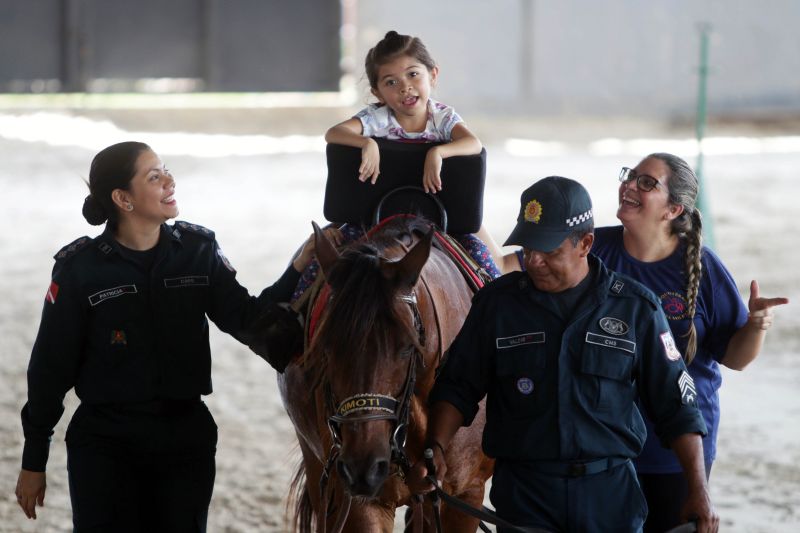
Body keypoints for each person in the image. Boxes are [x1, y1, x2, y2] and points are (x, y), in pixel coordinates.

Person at [14, 141, 327, 531]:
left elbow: (249, 320)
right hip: (105, 444)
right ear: (122, 198)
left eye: (166, 170)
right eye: (154, 176)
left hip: (185, 439)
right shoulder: (79, 269)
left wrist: (297, 268)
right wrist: (33, 459)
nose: (170, 181)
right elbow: (50, 367)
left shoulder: (198, 251)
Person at [408, 176, 720, 533]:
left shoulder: (635, 309)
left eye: (549, 250)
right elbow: (456, 387)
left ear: (585, 243)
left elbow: (677, 407)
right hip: (525, 496)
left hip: (608, 496)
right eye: (527, 248)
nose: (534, 261)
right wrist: (434, 448)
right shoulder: (497, 305)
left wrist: (699, 491)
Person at [588, 153, 789, 532]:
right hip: (603, 443)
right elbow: (510, 263)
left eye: (646, 183)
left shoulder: (703, 267)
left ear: (673, 209)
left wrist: (756, 325)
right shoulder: (594, 248)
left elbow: (735, 359)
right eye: (630, 176)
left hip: (677, 449)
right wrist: (468, 217)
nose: (629, 185)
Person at [323, 30, 503, 278]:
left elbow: (473, 143)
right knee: (319, 258)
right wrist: (367, 143)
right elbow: (334, 133)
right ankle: (297, 311)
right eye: (391, 82)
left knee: (487, 267)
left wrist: (438, 152)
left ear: (433, 75)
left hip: (441, 221)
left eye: (413, 75)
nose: (405, 87)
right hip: (372, 220)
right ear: (377, 93)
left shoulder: (442, 118)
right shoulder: (377, 118)